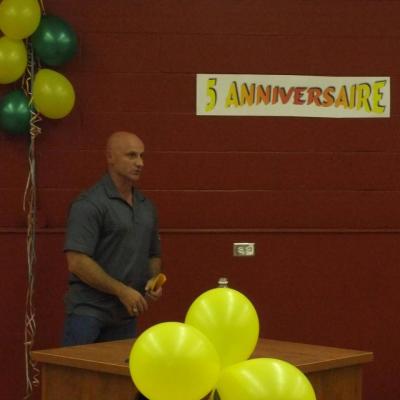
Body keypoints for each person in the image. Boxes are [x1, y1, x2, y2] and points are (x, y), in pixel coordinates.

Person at [62, 130, 162, 348]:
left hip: (126, 314)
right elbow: (77, 262)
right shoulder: (89, 204)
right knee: (76, 380)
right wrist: (121, 290)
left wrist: (152, 282)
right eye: (131, 155)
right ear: (110, 157)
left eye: (142, 156)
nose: (140, 163)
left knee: (117, 380)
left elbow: (153, 254)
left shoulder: (146, 207)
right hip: (89, 312)